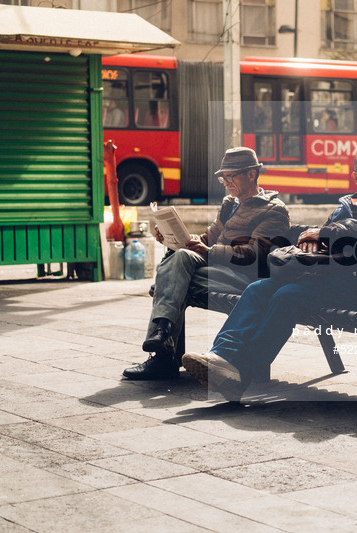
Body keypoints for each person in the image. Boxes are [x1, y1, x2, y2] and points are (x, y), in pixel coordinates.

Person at [181, 144, 357, 401]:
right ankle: (222, 356)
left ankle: (242, 371)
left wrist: (327, 234)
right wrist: (315, 241)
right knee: (259, 288)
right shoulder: (344, 208)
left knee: (289, 296)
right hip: (332, 280)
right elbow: (329, 243)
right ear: (356, 176)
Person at [122, 147, 290, 380]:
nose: (226, 183)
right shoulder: (230, 204)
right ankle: (162, 339)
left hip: (246, 279)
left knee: (172, 275)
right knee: (178, 260)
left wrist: (210, 252)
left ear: (251, 174)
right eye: (223, 178)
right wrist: (174, 239)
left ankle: (163, 353)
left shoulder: (274, 210)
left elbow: (255, 254)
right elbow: (205, 239)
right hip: (215, 270)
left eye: (230, 177)